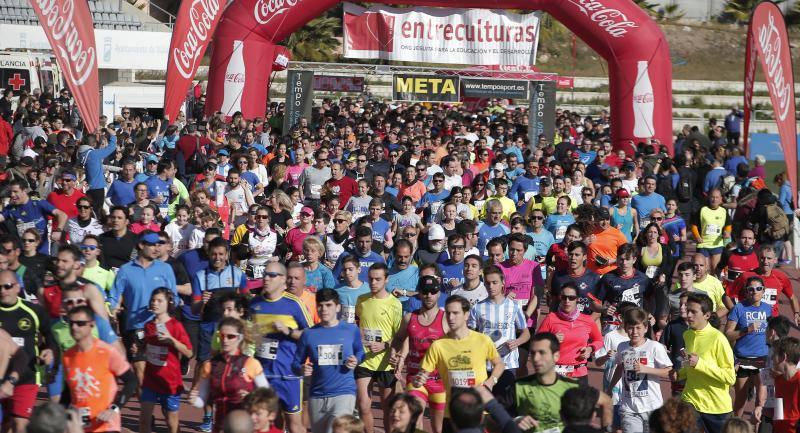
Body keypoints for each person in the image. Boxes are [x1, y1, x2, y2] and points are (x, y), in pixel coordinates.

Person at [415, 295, 504, 430]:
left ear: (466, 315)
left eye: (455, 313)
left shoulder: (482, 340)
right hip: (451, 414)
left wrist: (491, 381)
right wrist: (419, 380)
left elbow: (499, 364)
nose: (451, 318)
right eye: (448, 313)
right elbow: (423, 374)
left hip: (478, 412)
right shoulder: (438, 345)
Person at [109, 231, 179, 384]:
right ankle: (144, 405)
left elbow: (174, 296)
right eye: (152, 244)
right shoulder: (126, 270)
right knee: (141, 374)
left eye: (159, 244)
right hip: (135, 327)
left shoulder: (165, 269)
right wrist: (113, 310)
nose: (156, 248)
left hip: (159, 327)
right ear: (141, 245)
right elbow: (114, 296)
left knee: (159, 374)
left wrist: (167, 308)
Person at [249, 262, 310, 433]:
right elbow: (249, 337)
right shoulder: (254, 304)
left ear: (282, 279)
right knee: (267, 424)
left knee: (294, 424)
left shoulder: (294, 304)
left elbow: (311, 335)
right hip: (262, 375)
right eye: (265, 274)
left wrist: (288, 331)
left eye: (271, 275)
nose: (266, 278)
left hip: (288, 375)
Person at [292, 289, 364, 433]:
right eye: (320, 305)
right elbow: (295, 363)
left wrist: (356, 359)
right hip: (317, 395)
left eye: (328, 305)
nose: (324, 309)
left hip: (344, 393)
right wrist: (301, 369)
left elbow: (361, 352)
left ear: (337, 307)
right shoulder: (308, 334)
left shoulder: (350, 330)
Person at [61, 305, 138, 433]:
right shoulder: (67, 356)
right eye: (71, 323)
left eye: (80, 323)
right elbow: (68, 391)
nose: (74, 327)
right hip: (80, 426)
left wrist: (114, 409)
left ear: (91, 325)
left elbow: (132, 381)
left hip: (106, 426)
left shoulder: (107, 352)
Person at [190, 317, 269, 433]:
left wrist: (252, 398)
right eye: (221, 336)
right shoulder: (210, 365)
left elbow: (267, 396)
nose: (225, 340)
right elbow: (201, 401)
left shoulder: (251, 363)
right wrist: (194, 400)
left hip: (245, 426)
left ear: (240, 338)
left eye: (230, 336)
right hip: (221, 427)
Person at [390, 275, 448, 433]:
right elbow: (398, 339)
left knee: (438, 428)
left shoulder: (446, 319)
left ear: (438, 293)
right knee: (414, 421)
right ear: (419, 293)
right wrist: (394, 353)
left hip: (439, 380)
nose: (429, 295)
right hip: (416, 378)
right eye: (425, 291)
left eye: (432, 291)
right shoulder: (410, 318)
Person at [0, 269, 56, 433]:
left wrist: (49, 350)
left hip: (26, 376)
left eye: (7, 286)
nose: (3, 291)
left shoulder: (33, 311)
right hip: (1, 376)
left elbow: (49, 335)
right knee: (6, 426)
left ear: (18, 287)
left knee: (20, 424)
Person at [674, 293, 735, 433]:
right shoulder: (687, 335)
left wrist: (700, 364)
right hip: (691, 399)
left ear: (707, 315)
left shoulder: (718, 339)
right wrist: (680, 373)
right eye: (688, 310)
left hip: (716, 406)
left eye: (693, 312)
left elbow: (730, 378)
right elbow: (691, 365)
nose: (688, 315)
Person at [606, 307, 673, 432]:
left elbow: (668, 371)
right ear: (625, 328)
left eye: (638, 328)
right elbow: (620, 368)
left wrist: (646, 369)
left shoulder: (654, 347)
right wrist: (610, 388)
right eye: (631, 328)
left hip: (652, 407)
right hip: (629, 408)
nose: (634, 332)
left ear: (646, 328)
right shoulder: (622, 347)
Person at [355, 263, 403, 433]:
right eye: (370, 279)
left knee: (387, 409)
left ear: (386, 279)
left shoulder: (395, 304)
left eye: (378, 279)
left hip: (385, 363)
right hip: (364, 361)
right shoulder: (362, 300)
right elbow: (357, 325)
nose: (373, 282)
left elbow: (399, 337)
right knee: (363, 405)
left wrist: (384, 345)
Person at [139, 288, 193, 433]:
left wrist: (172, 341)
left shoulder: (176, 326)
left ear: (168, 303)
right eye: (153, 300)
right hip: (150, 381)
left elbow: (189, 352)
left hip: (170, 382)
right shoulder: (148, 325)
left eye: (159, 301)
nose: (155, 303)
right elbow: (146, 348)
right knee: (144, 421)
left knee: (171, 422)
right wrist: (138, 348)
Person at [469, 265, 529, 391]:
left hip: (508, 365)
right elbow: (470, 334)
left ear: (503, 283)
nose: (491, 287)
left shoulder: (514, 307)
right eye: (487, 283)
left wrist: (517, 342)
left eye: (494, 282)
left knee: (506, 404)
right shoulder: (477, 307)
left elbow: (526, 334)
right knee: (485, 404)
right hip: (484, 364)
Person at [724, 276, 771, 418]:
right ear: (746, 291)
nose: (755, 292)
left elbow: (774, 332)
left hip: (762, 357)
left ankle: (758, 428)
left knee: (761, 402)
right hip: (742, 358)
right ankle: (735, 426)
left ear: (763, 291)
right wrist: (746, 330)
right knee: (740, 400)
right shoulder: (739, 308)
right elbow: (727, 334)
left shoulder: (768, 309)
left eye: (758, 289)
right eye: (751, 289)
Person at [538, 283, 603, 383]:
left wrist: (590, 349)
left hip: (579, 373)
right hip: (555, 373)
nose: (567, 301)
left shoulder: (587, 320)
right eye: (564, 297)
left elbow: (599, 340)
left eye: (571, 298)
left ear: (577, 299)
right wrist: (551, 339)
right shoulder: (551, 318)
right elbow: (537, 342)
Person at [729, 245, 800, 324]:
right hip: (749, 321)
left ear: (775, 260)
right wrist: (736, 313)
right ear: (758, 259)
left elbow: (792, 297)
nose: (765, 261)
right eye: (762, 258)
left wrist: (796, 313)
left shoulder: (781, 277)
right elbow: (727, 296)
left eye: (769, 258)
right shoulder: (746, 276)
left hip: (772, 322)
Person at [0, 179, 68, 254]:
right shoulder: (11, 208)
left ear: (24, 190)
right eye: (11, 192)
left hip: (41, 253)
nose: (12, 195)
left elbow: (62, 215)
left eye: (15, 192)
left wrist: (58, 231)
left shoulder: (38, 203)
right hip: (23, 254)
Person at [691, 189, 731, 272]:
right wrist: (697, 236)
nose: (714, 199)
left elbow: (728, 225)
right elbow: (694, 225)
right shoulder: (702, 210)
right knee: (703, 270)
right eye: (712, 197)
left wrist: (727, 233)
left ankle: (715, 284)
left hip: (717, 244)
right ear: (709, 198)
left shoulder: (723, 211)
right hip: (703, 244)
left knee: (715, 269)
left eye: (717, 197)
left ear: (721, 199)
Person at [768, 337, 800, 433]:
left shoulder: (798, 382)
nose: (772, 357)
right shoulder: (778, 380)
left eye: (775, 354)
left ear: (783, 357)